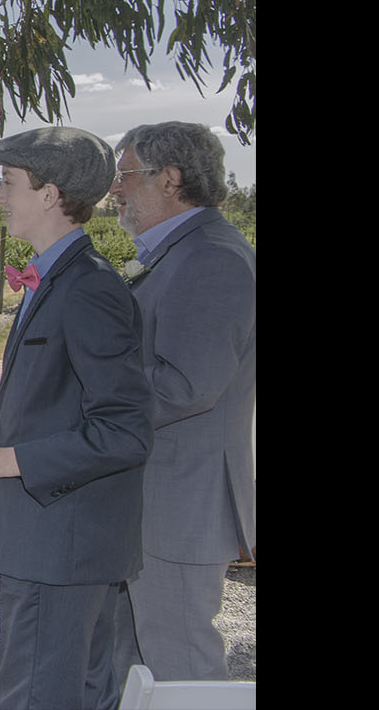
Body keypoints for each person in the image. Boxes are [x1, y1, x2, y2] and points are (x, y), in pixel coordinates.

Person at [0, 126, 153, 710]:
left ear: (51, 194)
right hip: (54, 539)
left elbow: (124, 430)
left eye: (8, 182)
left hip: (62, 549)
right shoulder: (58, 275)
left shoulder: (89, 289)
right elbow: (42, 412)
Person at [107, 122, 255, 683]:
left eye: (125, 176)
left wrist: (88, 397)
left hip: (180, 499)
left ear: (170, 179)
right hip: (157, 494)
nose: (114, 190)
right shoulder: (180, 251)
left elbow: (186, 386)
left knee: (181, 666)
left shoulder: (211, 258)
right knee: (134, 658)